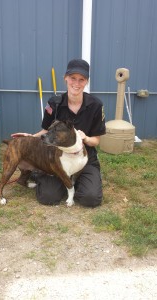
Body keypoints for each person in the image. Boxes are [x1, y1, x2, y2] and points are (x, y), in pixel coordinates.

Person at [12, 59, 106, 207]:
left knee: (90, 198)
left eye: (81, 79)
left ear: (86, 82)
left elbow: (96, 140)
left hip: (84, 159)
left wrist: (86, 138)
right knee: (48, 197)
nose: (76, 83)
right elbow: (45, 130)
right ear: (65, 78)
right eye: (73, 78)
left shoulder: (95, 105)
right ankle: (43, 175)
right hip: (58, 159)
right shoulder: (54, 103)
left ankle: (83, 180)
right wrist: (31, 137)